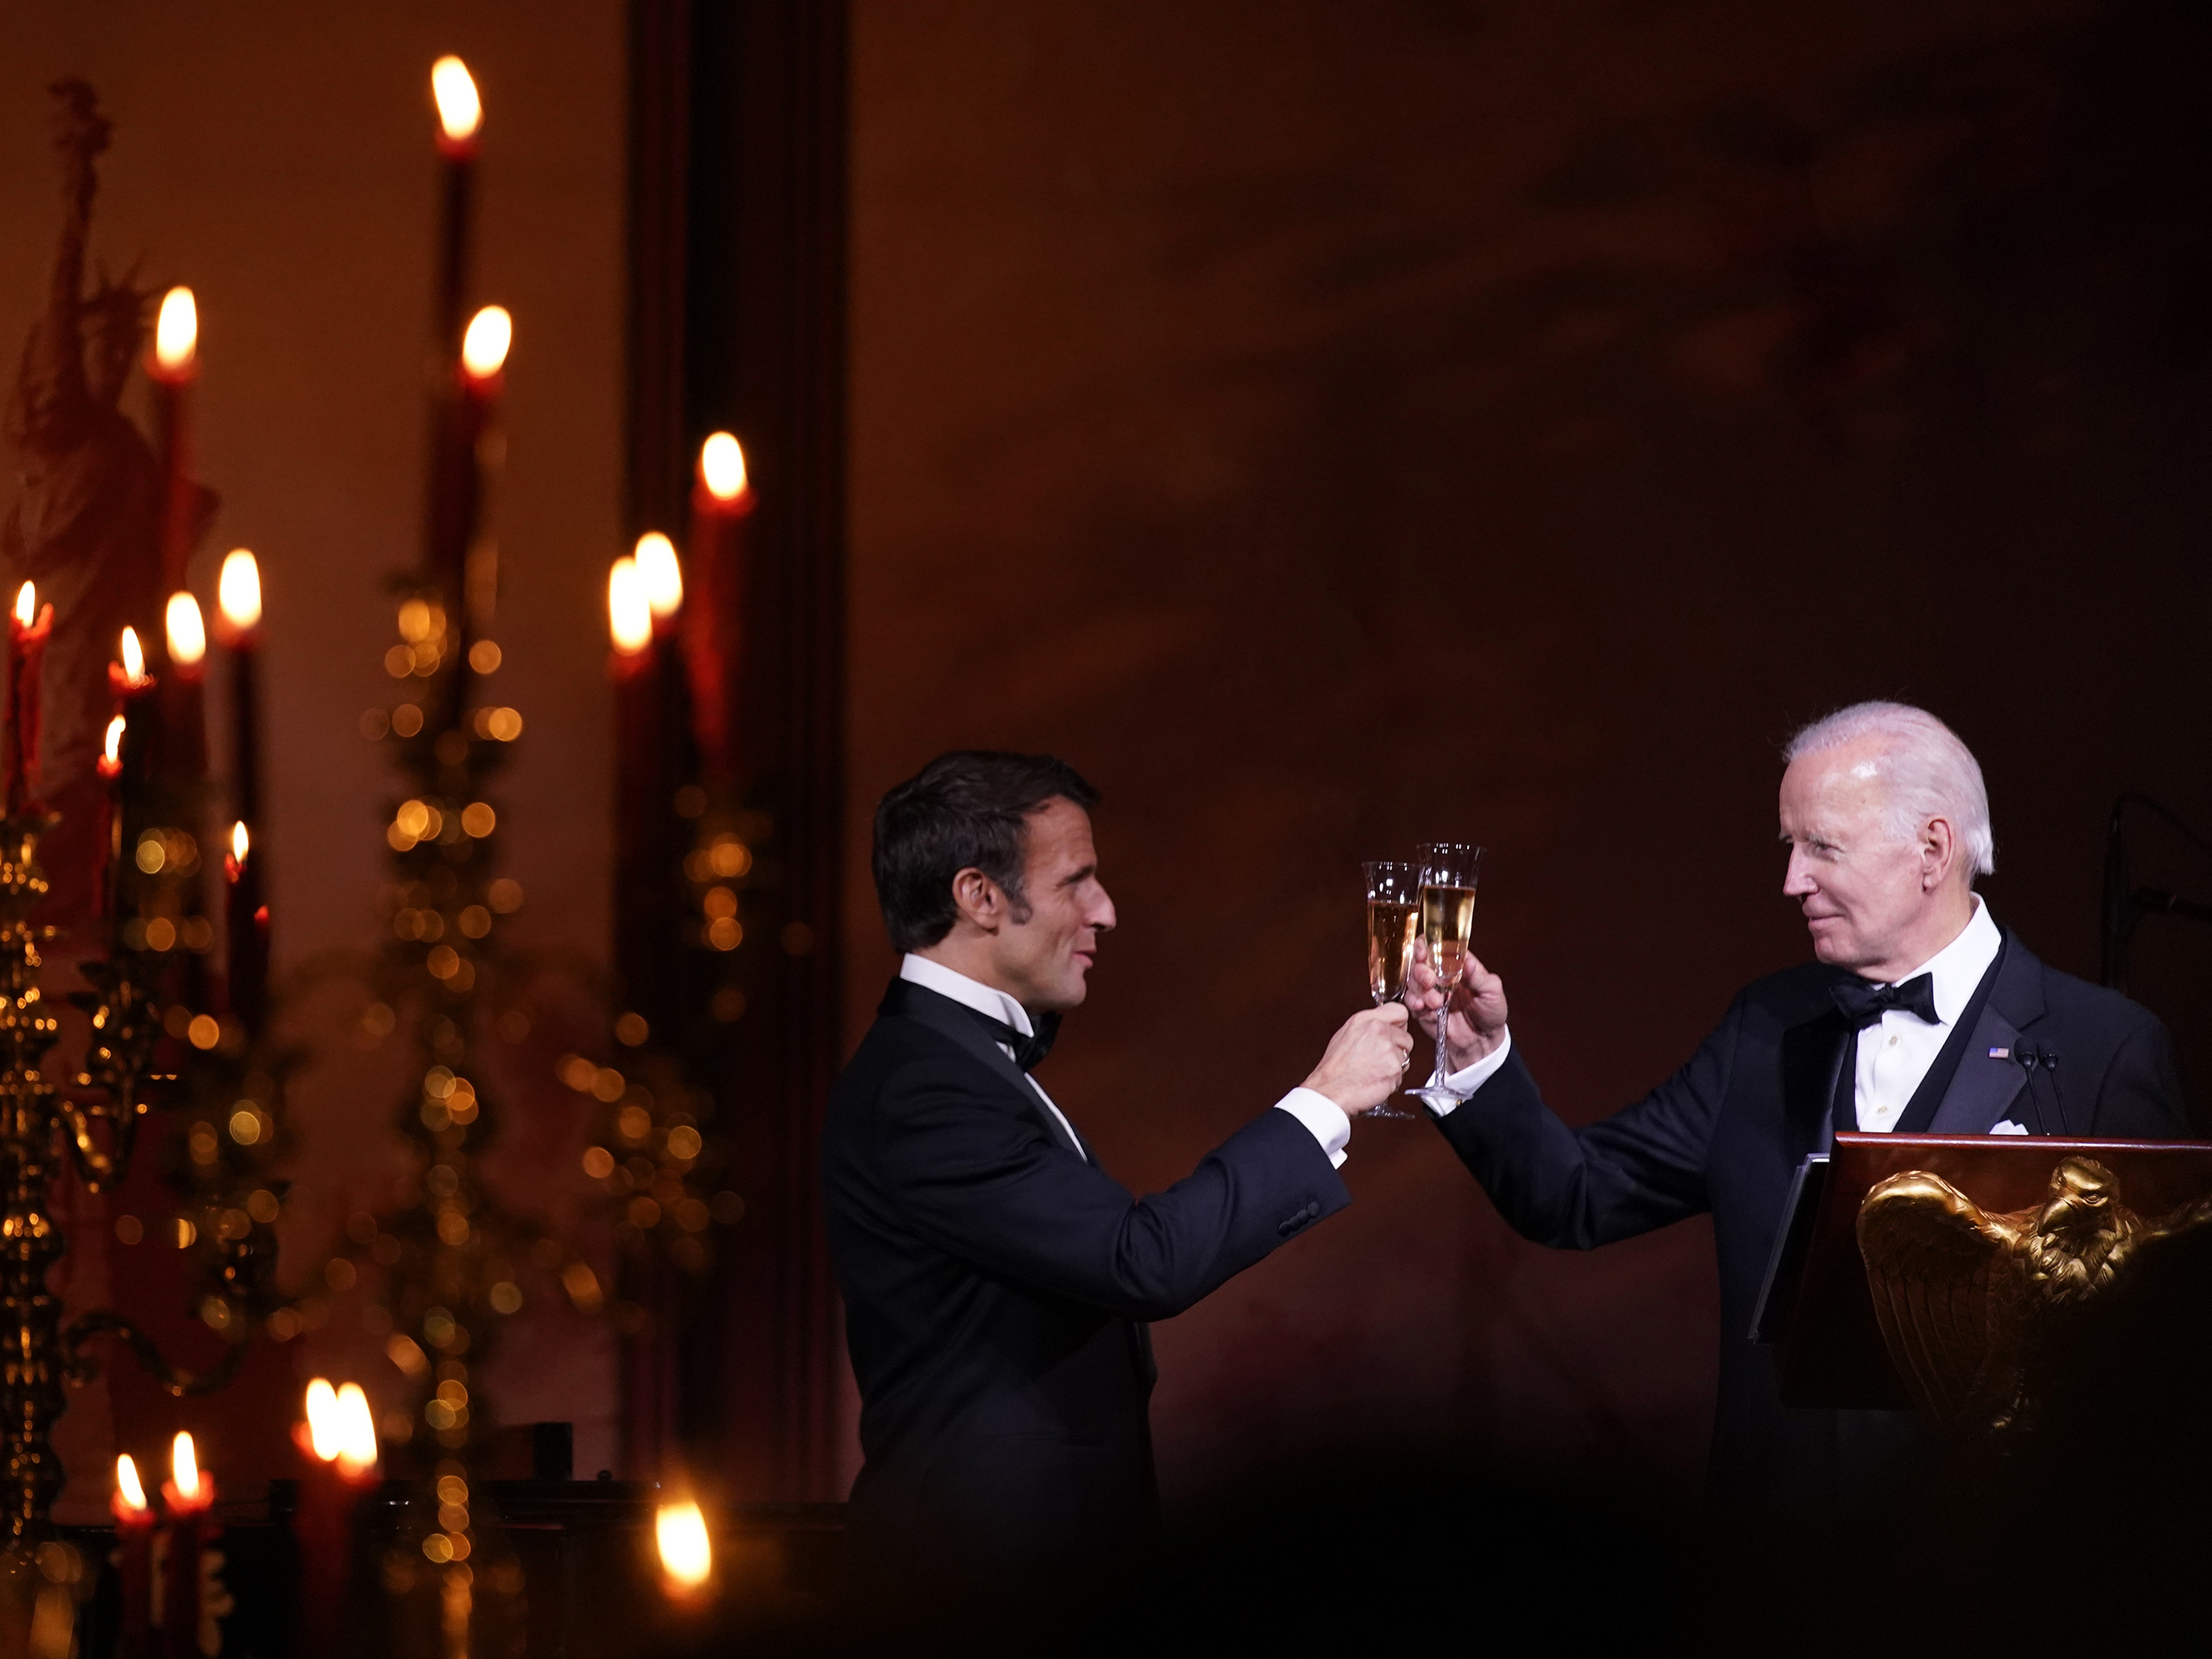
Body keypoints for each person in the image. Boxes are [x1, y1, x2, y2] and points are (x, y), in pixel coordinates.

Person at [1406, 701, 2190, 1510]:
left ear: (1932, 849)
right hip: (1779, 1576)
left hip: (1998, 1574)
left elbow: (2160, 1354)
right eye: (1791, 847)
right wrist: (1475, 1063)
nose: (1791, 881)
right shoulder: (1764, 1031)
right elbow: (1573, 1195)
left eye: (1822, 848)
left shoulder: (2106, 1048)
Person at [825, 750, 1411, 1614]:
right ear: (979, 897)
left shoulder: (957, 1063)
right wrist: (1324, 1100)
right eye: (1076, 882)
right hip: (975, 1595)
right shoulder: (925, 1085)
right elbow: (1142, 1260)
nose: (1106, 911)